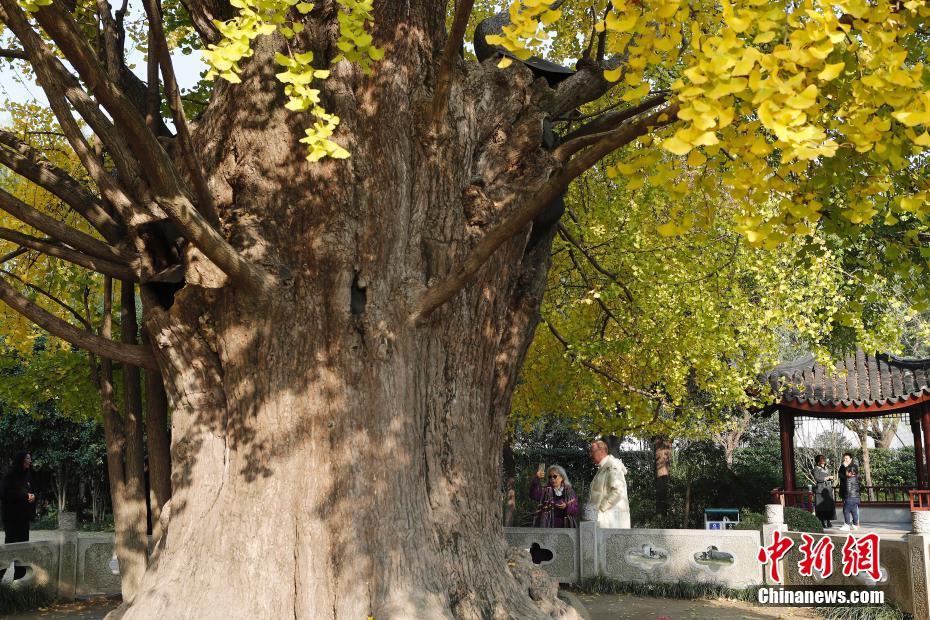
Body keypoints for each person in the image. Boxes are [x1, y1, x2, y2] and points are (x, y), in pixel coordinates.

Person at [585, 440, 631, 528]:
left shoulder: (613, 466)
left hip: (611, 520)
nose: (590, 454)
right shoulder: (603, 468)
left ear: (602, 451)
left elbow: (618, 491)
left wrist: (601, 508)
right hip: (605, 519)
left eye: (592, 451)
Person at [1, 451, 36, 544]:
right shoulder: (10, 476)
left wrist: (33, 496)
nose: (30, 461)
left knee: (24, 543)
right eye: (27, 458)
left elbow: (32, 490)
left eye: (30, 458)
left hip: (24, 517)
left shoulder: (28, 475)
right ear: (21, 460)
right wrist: (25, 495)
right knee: (12, 543)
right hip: (11, 517)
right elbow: (5, 494)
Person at [838, 452, 860, 532]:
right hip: (854, 494)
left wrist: (846, 467)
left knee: (846, 510)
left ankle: (847, 525)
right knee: (853, 510)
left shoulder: (853, 466)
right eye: (844, 458)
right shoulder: (842, 466)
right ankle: (855, 524)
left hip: (850, 494)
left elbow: (848, 475)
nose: (845, 460)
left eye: (846, 458)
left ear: (851, 459)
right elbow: (840, 475)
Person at [813, 454, 836, 528]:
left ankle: (828, 521)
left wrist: (831, 478)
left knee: (828, 506)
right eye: (821, 459)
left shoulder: (826, 468)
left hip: (827, 489)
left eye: (823, 459)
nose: (823, 461)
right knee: (821, 507)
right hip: (820, 489)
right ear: (818, 461)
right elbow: (817, 478)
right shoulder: (816, 468)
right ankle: (822, 522)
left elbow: (829, 476)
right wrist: (827, 478)